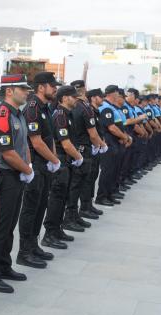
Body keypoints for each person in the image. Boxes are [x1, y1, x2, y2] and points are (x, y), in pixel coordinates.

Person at [0, 74, 33, 294]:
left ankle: (4, 266)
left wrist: (27, 166)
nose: (27, 92)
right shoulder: (3, 115)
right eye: (23, 88)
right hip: (5, 176)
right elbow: (8, 152)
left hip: (16, 175)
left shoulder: (18, 114)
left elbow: (24, 146)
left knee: (10, 225)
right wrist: (27, 169)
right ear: (10, 90)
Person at [18, 71, 64, 264]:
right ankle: (24, 252)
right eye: (52, 86)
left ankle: (34, 244)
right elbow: (36, 143)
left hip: (45, 165)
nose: (55, 89)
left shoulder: (45, 108)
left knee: (40, 207)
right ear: (41, 87)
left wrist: (52, 159)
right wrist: (55, 160)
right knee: (30, 208)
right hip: (35, 165)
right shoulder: (32, 108)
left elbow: (49, 138)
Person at [64, 80, 106, 232]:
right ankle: (71, 216)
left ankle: (76, 214)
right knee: (77, 185)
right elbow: (92, 133)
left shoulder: (77, 107)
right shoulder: (83, 108)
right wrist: (100, 145)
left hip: (81, 149)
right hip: (83, 149)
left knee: (80, 184)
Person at [43, 85, 82, 247]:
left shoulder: (68, 114)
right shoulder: (60, 115)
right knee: (56, 199)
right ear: (65, 98)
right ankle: (49, 233)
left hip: (67, 161)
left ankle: (57, 229)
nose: (76, 100)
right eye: (74, 97)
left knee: (63, 197)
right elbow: (65, 144)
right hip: (60, 161)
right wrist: (78, 156)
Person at [95, 86, 132, 206]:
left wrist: (124, 137)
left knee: (114, 170)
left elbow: (120, 125)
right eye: (117, 93)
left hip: (116, 143)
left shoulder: (112, 108)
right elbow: (112, 128)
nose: (119, 95)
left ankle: (109, 194)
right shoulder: (106, 108)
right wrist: (124, 137)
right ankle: (101, 197)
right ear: (113, 93)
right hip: (109, 144)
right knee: (108, 171)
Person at [80, 88, 106, 215]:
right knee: (88, 179)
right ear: (94, 98)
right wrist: (98, 145)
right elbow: (92, 133)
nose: (103, 99)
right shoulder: (88, 111)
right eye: (101, 97)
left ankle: (89, 204)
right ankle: (84, 207)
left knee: (93, 177)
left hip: (96, 149)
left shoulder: (96, 111)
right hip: (90, 149)